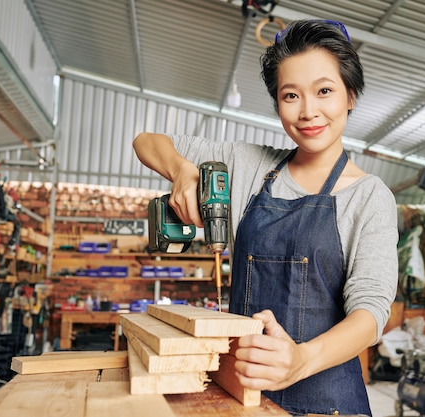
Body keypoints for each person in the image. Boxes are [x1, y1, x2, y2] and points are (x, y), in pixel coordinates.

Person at [133, 19, 398, 416]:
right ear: (277, 104)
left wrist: (300, 360)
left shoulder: (370, 196)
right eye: (291, 96)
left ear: (351, 96)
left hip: (330, 405)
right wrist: (182, 171)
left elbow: (371, 312)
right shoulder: (249, 166)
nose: (309, 111)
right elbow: (147, 141)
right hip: (243, 397)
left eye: (324, 91)